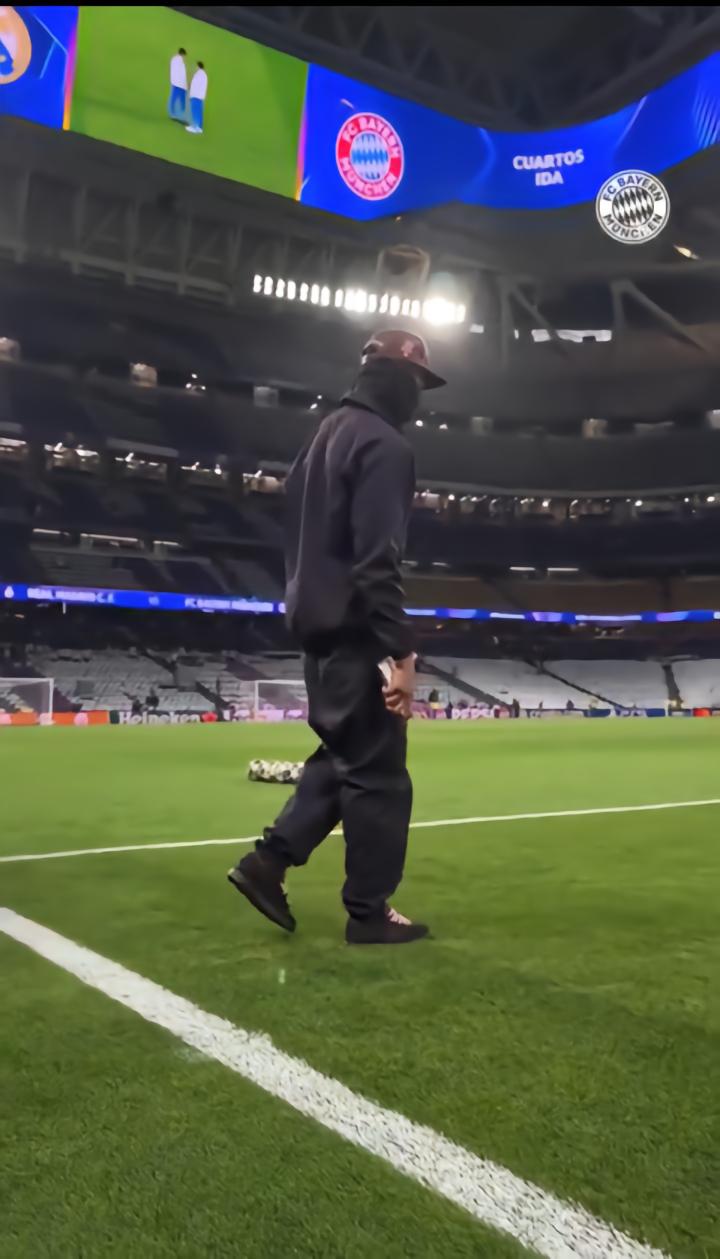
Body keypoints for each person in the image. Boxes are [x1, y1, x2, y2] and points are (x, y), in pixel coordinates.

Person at [228, 329, 446, 944]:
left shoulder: (324, 435)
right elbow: (377, 561)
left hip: (315, 627)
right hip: (358, 633)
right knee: (380, 778)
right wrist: (401, 650)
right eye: (418, 383)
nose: (419, 397)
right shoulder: (385, 445)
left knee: (346, 756)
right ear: (401, 378)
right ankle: (369, 913)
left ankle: (268, 862)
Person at [186, 61, 207, 134]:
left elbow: (194, 85)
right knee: (199, 111)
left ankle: (195, 127)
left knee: (195, 111)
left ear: (198, 66)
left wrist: (191, 93)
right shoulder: (203, 74)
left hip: (196, 95)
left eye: (196, 66)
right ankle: (199, 128)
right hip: (199, 96)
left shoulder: (198, 74)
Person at [168, 48, 188, 121]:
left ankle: (173, 113)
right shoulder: (180, 61)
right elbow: (182, 74)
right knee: (182, 100)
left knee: (174, 98)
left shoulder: (174, 59)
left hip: (174, 82)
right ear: (183, 54)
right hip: (180, 84)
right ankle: (181, 115)